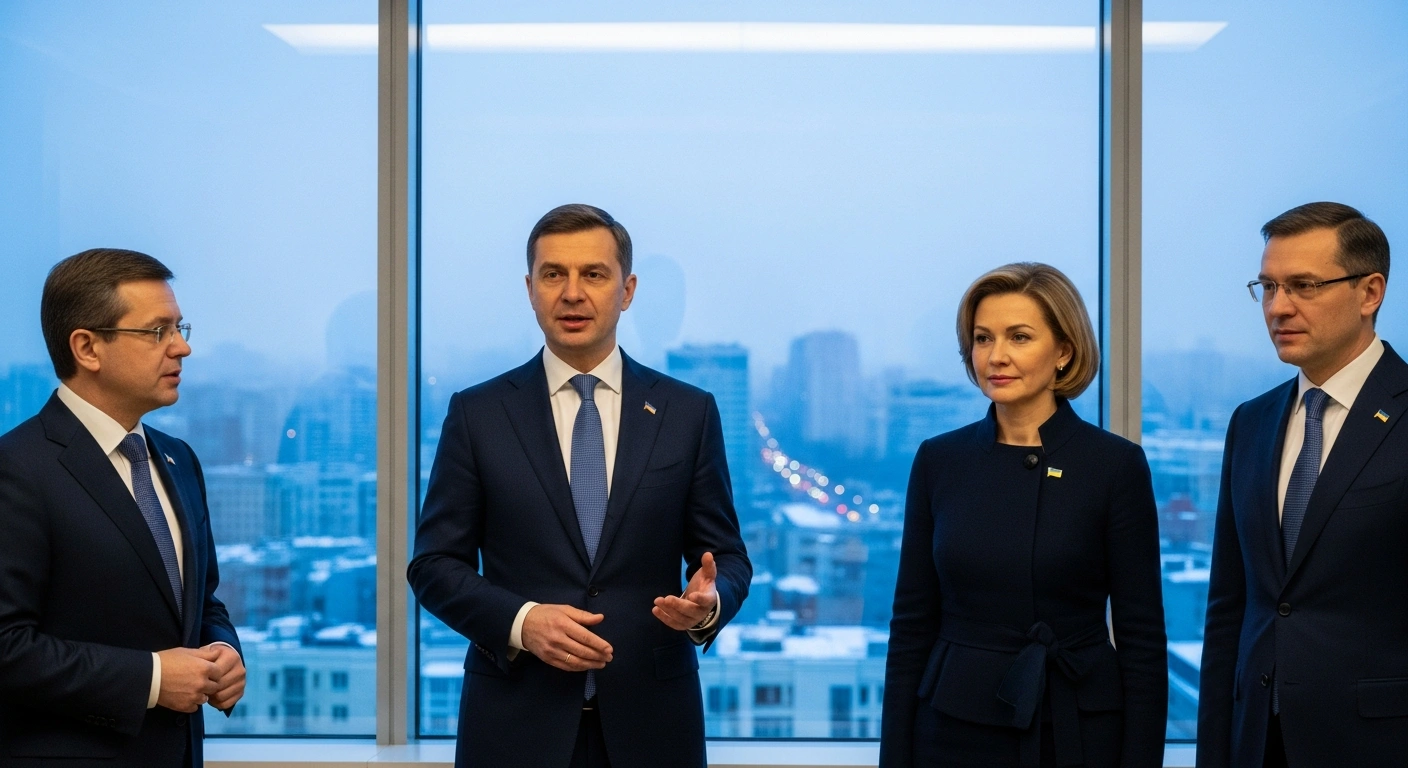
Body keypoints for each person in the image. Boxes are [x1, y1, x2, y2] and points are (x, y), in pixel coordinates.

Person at [408, 204, 751, 768]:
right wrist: (522, 622)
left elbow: (727, 557)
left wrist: (710, 605)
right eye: (553, 274)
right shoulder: (478, 414)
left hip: (655, 728)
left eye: (593, 274)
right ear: (530, 288)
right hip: (514, 728)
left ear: (628, 289)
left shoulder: (688, 413)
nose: (572, 293)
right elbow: (433, 566)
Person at [880, 262, 1167, 768]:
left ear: (1063, 351)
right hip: (953, 726)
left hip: (1075, 724)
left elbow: (1142, 639)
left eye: (1019, 337)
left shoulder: (1114, 465)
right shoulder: (939, 460)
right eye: (983, 338)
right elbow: (910, 626)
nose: (997, 356)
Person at [0, 249, 244, 767]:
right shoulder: (17, 470)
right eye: (158, 331)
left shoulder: (179, 459)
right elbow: (6, 647)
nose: (183, 348)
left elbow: (203, 603)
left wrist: (224, 651)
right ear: (87, 347)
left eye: (180, 327)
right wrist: (153, 679)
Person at [1198, 202, 1408, 767]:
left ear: (1370, 293)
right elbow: (1230, 610)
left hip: (1377, 743)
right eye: (1267, 287)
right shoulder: (1252, 421)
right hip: (1254, 741)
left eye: (1304, 286)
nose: (1278, 308)